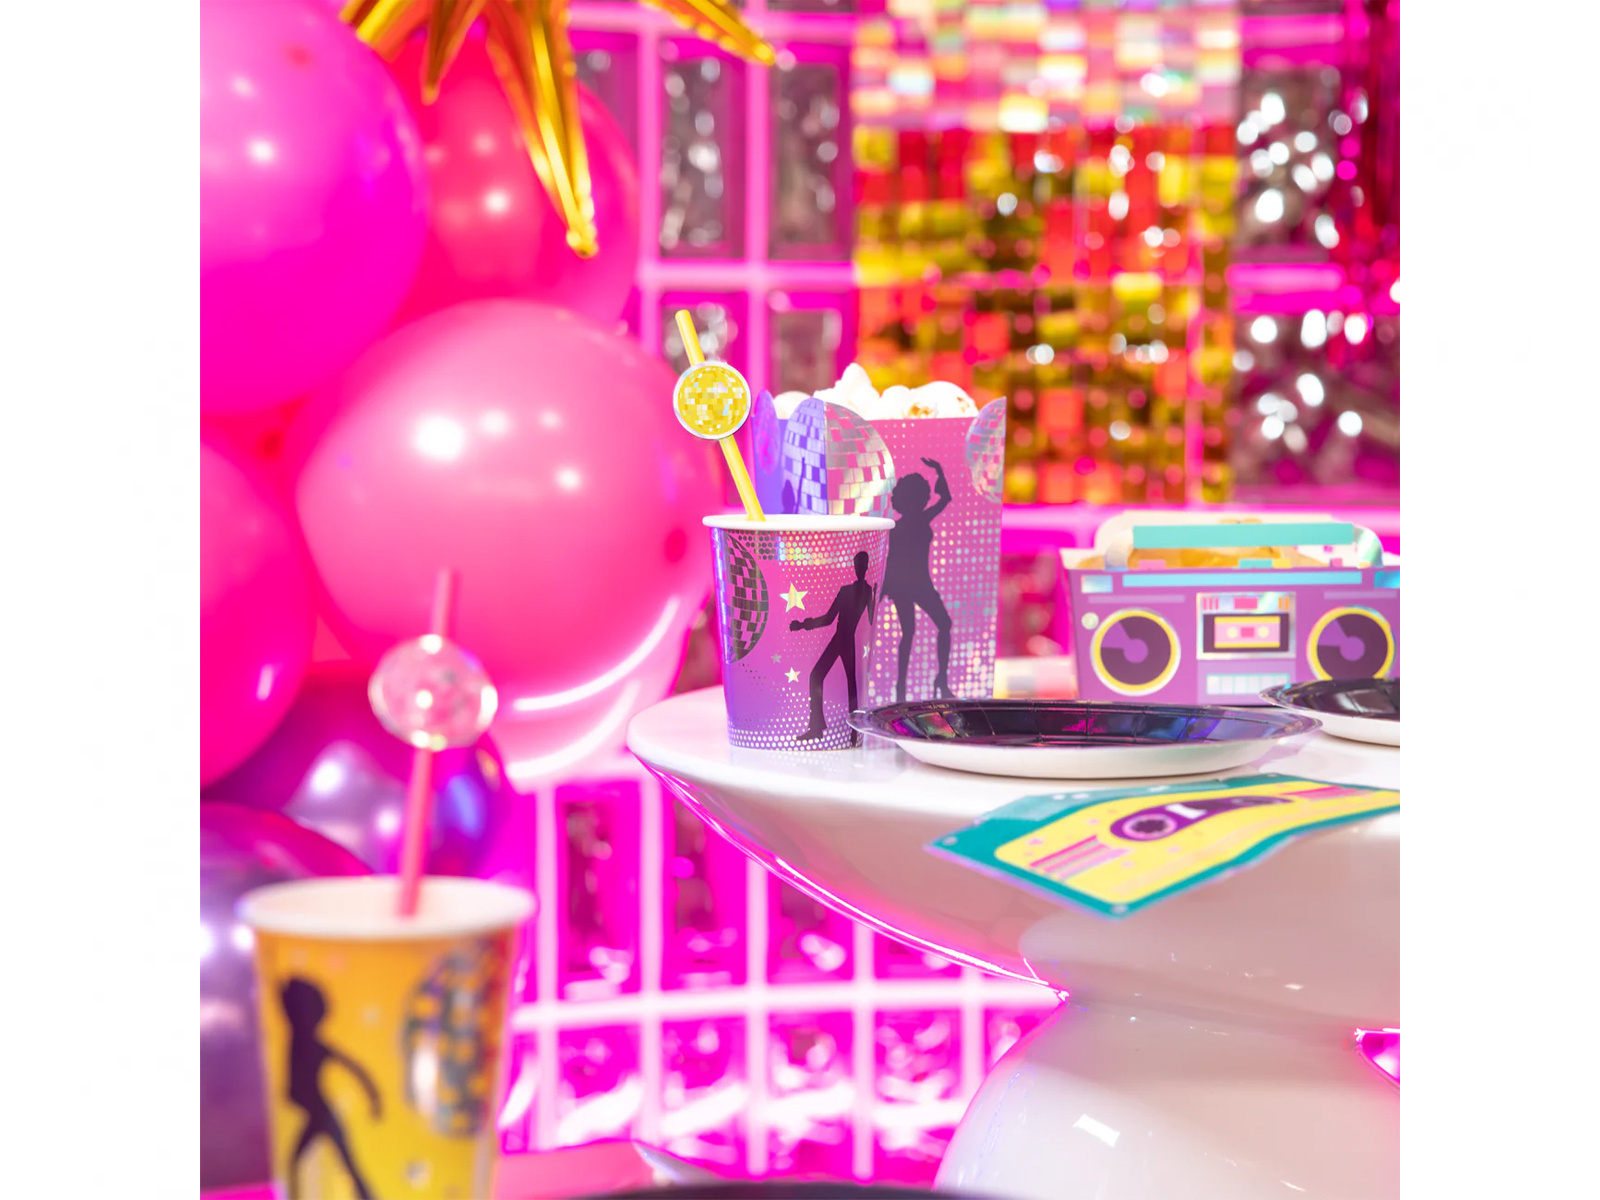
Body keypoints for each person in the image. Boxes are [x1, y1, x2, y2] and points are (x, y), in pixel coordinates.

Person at [280, 977, 380, 1200]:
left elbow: (355, 1069)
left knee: (345, 1162)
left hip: (322, 1113)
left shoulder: (314, 1046)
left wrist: (374, 1099)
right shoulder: (297, 1042)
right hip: (317, 1114)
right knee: (302, 1162)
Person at [883, 458, 954, 701]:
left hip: (915, 584)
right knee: (913, 631)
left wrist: (940, 471)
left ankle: (932, 682)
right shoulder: (908, 524)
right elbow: (891, 560)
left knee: (930, 627)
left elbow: (945, 499)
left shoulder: (911, 522)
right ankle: (904, 688)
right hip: (908, 584)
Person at [791, 550, 876, 741]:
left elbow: (870, 620)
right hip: (841, 638)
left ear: (865, 567)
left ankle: (853, 731)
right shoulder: (851, 590)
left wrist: (873, 597)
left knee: (849, 684)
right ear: (855, 567)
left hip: (845, 639)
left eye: (862, 565)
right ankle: (820, 727)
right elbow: (829, 619)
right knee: (819, 676)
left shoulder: (865, 591)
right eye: (857, 564)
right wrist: (803, 625)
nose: (859, 568)